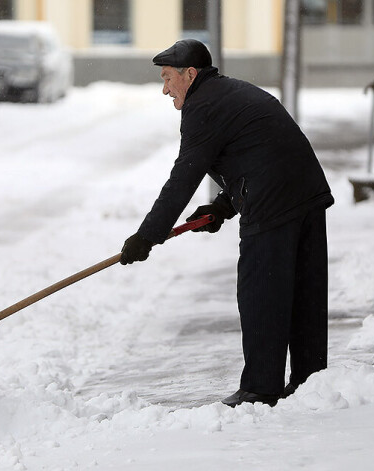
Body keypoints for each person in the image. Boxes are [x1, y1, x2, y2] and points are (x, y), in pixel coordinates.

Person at [120, 39, 334, 407]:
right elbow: (255, 154)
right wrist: (222, 207)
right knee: (303, 294)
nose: (164, 88)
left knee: (261, 293)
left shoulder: (203, 106)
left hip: (273, 204)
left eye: (169, 77)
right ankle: (309, 381)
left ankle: (261, 387)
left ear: (191, 74)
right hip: (306, 195)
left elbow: (183, 179)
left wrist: (146, 237)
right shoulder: (230, 93)